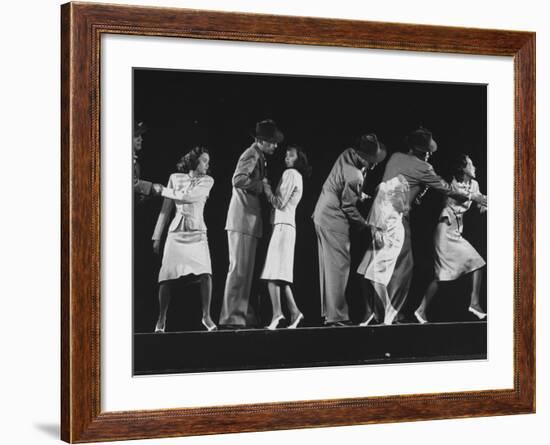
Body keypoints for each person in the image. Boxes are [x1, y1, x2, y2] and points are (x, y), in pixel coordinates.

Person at [357, 127, 487, 325]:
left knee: (373, 260)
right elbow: (445, 188)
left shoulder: (395, 157)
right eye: (428, 152)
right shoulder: (424, 167)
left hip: (377, 214)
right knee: (403, 265)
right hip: (396, 217)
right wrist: (473, 197)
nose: (430, 155)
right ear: (420, 151)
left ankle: (373, 311)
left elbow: (401, 186)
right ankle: (391, 314)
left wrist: (418, 192)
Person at [312, 134, 387, 326]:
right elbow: (348, 207)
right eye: (372, 161)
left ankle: (331, 315)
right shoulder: (356, 175)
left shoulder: (347, 154)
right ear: (362, 157)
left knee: (329, 268)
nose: (374, 165)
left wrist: (359, 194)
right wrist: (367, 226)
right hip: (333, 218)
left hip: (321, 213)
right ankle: (336, 317)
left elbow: (343, 183)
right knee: (339, 268)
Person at [219, 119, 284, 328]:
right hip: (242, 219)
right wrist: (261, 186)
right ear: (261, 140)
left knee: (245, 271)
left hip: (248, 220)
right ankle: (231, 318)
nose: (275, 146)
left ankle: (241, 314)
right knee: (239, 269)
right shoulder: (252, 153)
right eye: (272, 142)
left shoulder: (259, 155)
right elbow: (237, 179)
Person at [414, 154, 487, 323]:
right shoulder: (452, 183)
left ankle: (420, 310)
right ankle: (474, 303)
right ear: (463, 168)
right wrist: (479, 199)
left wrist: (484, 205)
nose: (474, 167)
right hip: (444, 231)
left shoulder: (474, 184)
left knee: (443, 275)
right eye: (471, 164)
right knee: (476, 263)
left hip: (456, 231)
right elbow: (463, 197)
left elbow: (479, 202)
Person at [152, 146, 217, 333]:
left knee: (206, 273)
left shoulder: (208, 181)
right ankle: (161, 318)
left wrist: (163, 190)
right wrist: (157, 236)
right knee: (166, 277)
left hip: (197, 233)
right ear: (195, 161)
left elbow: (189, 197)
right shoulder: (175, 178)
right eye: (204, 160)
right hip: (176, 234)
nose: (207, 164)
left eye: (208, 161)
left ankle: (206, 316)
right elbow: (165, 210)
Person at [260, 146, 311, 330]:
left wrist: (266, 186)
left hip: (283, 226)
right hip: (285, 226)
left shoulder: (290, 173)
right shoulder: (295, 175)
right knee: (279, 275)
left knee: (271, 274)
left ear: (298, 159)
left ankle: (277, 314)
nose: (287, 157)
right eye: (286, 155)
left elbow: (279, 202)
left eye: (291, 155)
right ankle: (295, 312)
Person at [133, 121, 164, 201]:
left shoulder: (136, 164)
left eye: (140, 135)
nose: (141, 139)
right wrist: (151, 188)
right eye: (136, 136)